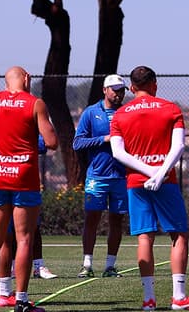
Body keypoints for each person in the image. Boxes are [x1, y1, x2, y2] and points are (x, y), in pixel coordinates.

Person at [109, 65, 189, 312]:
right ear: (154, 84)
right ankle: (179, 297)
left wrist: (147, 171)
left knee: (145, 236)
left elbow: (118, 152)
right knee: (179, 234)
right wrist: (160, 172)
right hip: (166, 181)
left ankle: (149, 300)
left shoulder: (120, 114)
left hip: (136, 182)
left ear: (131, 87)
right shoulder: (171, 108)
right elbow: (179, 147)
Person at [0, 66, 58, 312]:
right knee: (24, 239)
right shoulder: (35, 103)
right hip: (24, 176)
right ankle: (21, 300)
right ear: (26, 78)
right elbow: (52, 142)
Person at [73, 73, 130, 278]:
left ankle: (110, 266)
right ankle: (87, 265)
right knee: (92, 219)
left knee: (117, 221)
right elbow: (77, 143)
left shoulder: (127, 112)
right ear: (105, 90)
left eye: (122, 90)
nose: (119, 94)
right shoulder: (91, 113)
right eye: (115, 90)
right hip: (97, 176)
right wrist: (104, 139)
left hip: (121, 176)